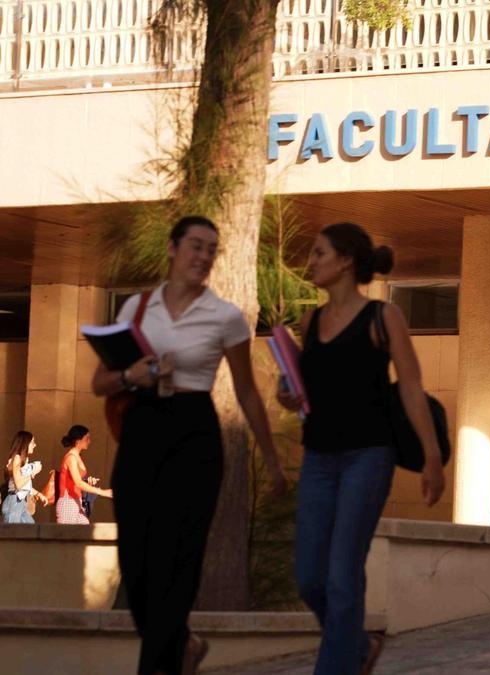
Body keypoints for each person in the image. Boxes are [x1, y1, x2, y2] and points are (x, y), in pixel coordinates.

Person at [92, 215, 287, 675]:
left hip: (194, 433)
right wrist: (130, 375)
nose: (203, 256)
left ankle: (156, 667)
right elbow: (100, 382)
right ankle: (185, 643)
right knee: (137, 564)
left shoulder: (225, 316)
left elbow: (246, 392)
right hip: (142, 430)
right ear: (173, 247)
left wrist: (274, 461)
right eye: (195, 246)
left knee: (179, 560)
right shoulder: (136, 309)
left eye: (211, 250)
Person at [278, 222, 445, 675]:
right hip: (318, 458)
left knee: (342, 579)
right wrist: (287, 394)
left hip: (368, 457)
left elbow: (411, 389)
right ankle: (357, 648)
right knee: (310, 579)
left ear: (346, 260)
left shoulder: (382, 318)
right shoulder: (309, 322)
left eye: (318, 253)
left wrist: (432, 457)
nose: (310, 262)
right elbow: (297, 388)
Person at [56, 425, 112, 524]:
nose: (89, 442)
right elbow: (78, 483)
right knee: (68, 537)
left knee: (84, 529)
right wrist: (102, 492)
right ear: (78, 441)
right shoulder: (71, 458)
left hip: (76, 502)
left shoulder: (77, 456)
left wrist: (87, 481)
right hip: (68, 502)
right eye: (87, 439)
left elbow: (76, 480)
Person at [2, 431, 49, 524]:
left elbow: (24, 485)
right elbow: (19, 484)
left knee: (30, 530)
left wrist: (38, 494)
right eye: (32, 442)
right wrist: (32, 472)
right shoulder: (17, 458)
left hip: (21, 503)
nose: (34, 445)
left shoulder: (24, 460)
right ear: (25, 444)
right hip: (14, 502)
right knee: (13, 534)